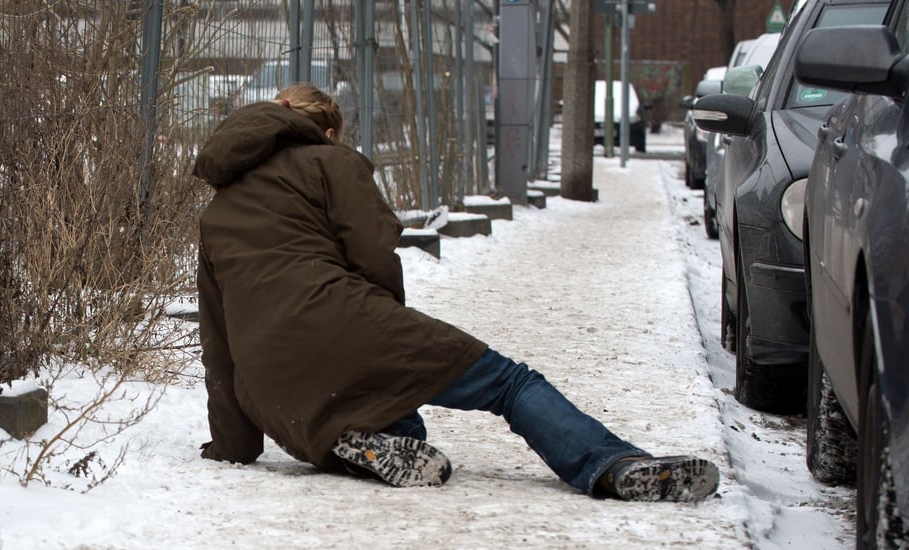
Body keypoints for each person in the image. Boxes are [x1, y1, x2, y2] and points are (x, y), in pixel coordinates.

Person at [193, 84, 719, 501]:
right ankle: (613, 465)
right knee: (509, 384)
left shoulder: (216, 213)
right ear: (326, 131)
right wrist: (382, 329)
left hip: (271, 387)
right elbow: (374, 250)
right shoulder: (332, 161)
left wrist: (234, 446)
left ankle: (357, 446)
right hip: (343, 321)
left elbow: (216, 340)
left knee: (393, 421)